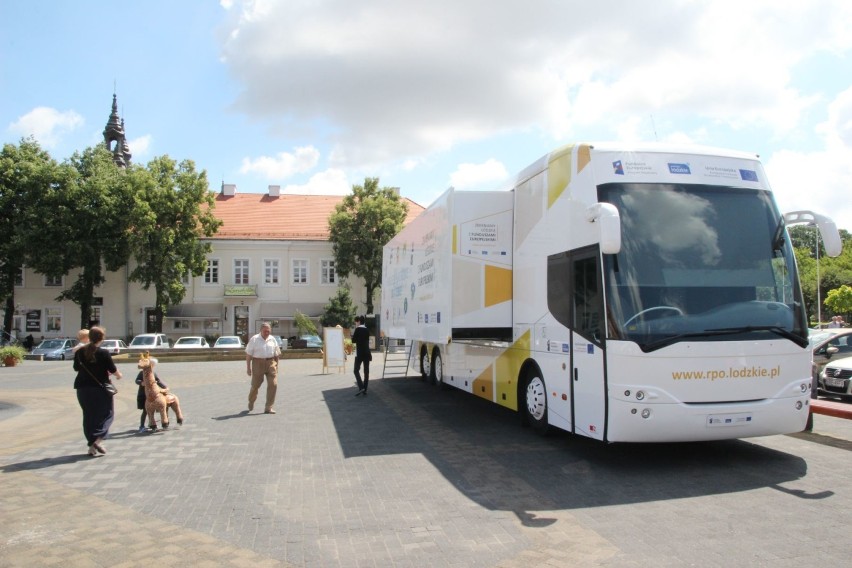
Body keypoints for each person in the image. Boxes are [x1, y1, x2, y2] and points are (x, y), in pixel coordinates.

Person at [72, 326, 122, 456]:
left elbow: (76, 368)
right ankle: (98, 439)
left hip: (82, 389)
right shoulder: (104, 353)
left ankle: (91, 446)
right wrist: (119, 375)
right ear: (102, 338)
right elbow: (112, 369)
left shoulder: (80, 352)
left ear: (89, 337)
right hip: (100, 389)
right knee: (107, 414)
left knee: (88, 415)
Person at [245, 322, 281, 414]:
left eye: (268, 331)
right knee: (255, 385)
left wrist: (277, 366)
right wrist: (248, 368)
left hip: (271, 363)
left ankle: (268, 407)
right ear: (260, 330)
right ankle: (251, 401)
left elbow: (277, 354)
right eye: (265, 331)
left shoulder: (273, 339)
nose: (267, 333)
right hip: (258, 363)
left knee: (273, 384)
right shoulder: (254, 339)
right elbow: (248, 355)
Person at [135, 358, 170, 433]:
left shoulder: (153, 373)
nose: (152, 366)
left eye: (153, 365)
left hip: (153, 395)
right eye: (152, 365)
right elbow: (137, 380)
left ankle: (155, 423)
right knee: (145, 411)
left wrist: (165, 387)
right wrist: (141, 383)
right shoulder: (142, 373)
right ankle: (141, 426)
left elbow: (158, 381)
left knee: (162, 407)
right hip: (144, 394)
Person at [352, 316, 372, 396]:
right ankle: (365, 389)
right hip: (367, 353)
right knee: (366, 372)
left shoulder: (357, 329)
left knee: (356, 370)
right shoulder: (367, 330)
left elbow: (353, 340)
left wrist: (356, 328)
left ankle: (361, 387)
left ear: (359, 322)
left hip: (359, 353)